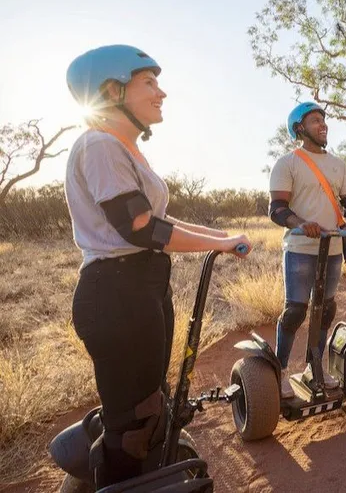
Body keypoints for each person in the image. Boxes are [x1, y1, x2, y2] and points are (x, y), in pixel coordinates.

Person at [65, 44, 251, 487]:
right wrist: (217, 242)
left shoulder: (123, 149)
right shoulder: (99, 144)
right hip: (116, 292)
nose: (161, 92)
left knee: (151, 402)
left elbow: (158, 223)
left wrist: (221, 240)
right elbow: (140, 226)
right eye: (148, 82)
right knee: (133, 420)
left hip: (141, 286)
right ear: (111, 90)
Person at [268, 101, 346, 398]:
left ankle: (314, 368)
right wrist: (302, 223)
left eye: (323, 120)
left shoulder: (337, 164)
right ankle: (278, 372)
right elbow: (277, 209)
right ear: (300, 129)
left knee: (325, 309)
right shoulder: (288, 163)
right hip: (300, 248)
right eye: (314, 121)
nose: (322, 125)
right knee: (295, 310)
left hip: (333, 246)